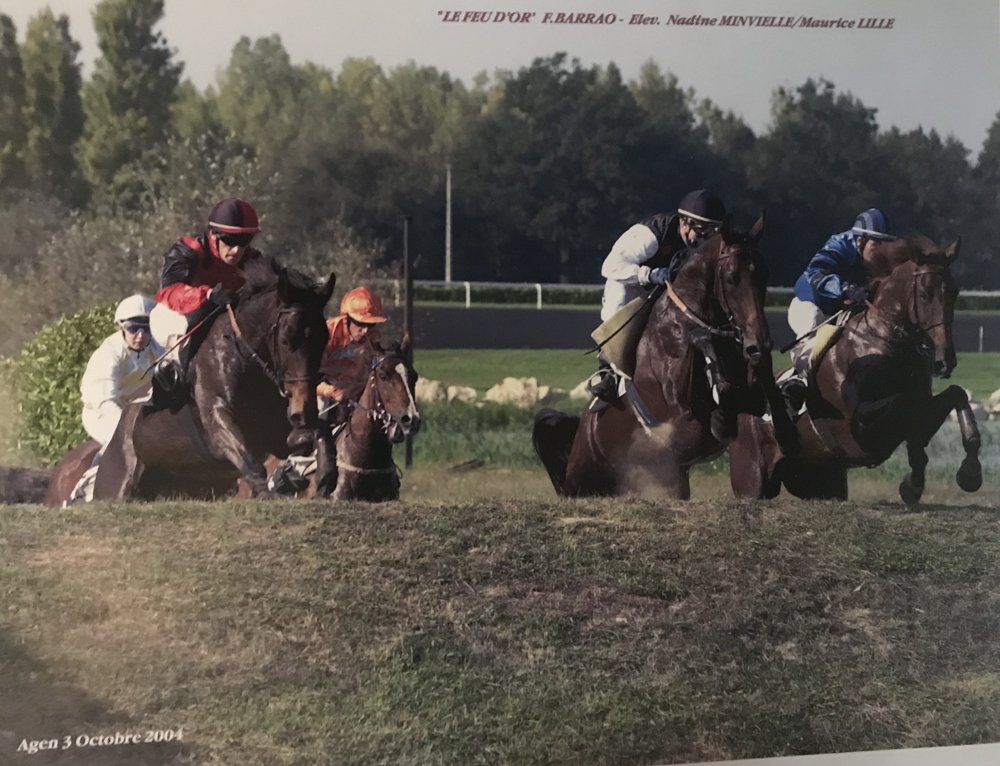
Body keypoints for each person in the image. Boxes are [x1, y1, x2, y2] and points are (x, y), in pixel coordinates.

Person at [588, 189, 727, 403]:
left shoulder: (700, 242)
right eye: (702, 232)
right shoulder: (650, 235)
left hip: (667, 287)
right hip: (631, 282)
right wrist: (649, 275)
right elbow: (610, 266)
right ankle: (607, 369)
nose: (705, 239)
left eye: (711, 233)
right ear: (685, 223)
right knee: (620, 293)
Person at [268, 286, 388, 496]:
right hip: (320, 392)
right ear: (347, 319)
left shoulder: (374, 340)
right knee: (319, 413)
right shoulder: (328, 333)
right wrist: (333, 392)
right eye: (361, 324)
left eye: (371, 324)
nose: (366, 331)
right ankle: (290, 468)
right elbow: (309, 375)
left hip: (352, 395)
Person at [781, 207, 896, 414]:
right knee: (813, 321)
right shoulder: (840, 244)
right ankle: (797, 382)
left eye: (886, 245)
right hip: (810, 304)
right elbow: (815, 273)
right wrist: (845, 288)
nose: (882, 252)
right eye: (876, 244)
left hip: (840, 310)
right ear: (860, 240)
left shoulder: (877, 261)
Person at [149, 197, 261, 401]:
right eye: (229, 241)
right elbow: (169, 292)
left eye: (243, 242)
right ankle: (171, 378)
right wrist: (208, 295)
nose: (236, 250)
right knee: (185, 322)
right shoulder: (187, 250)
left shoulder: (252, 260)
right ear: (213, 235)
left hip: (219, 318)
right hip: (174, 315)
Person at [69, 294, 163, 503]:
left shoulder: (158, 349)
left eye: (146, 328)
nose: (140, 335)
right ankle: (85, 489)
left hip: (136, 412)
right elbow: (104, 400)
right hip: (102, 411)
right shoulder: (109, 354)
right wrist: (127, 426)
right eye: (133, 328)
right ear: (121, 327)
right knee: (121, 443)